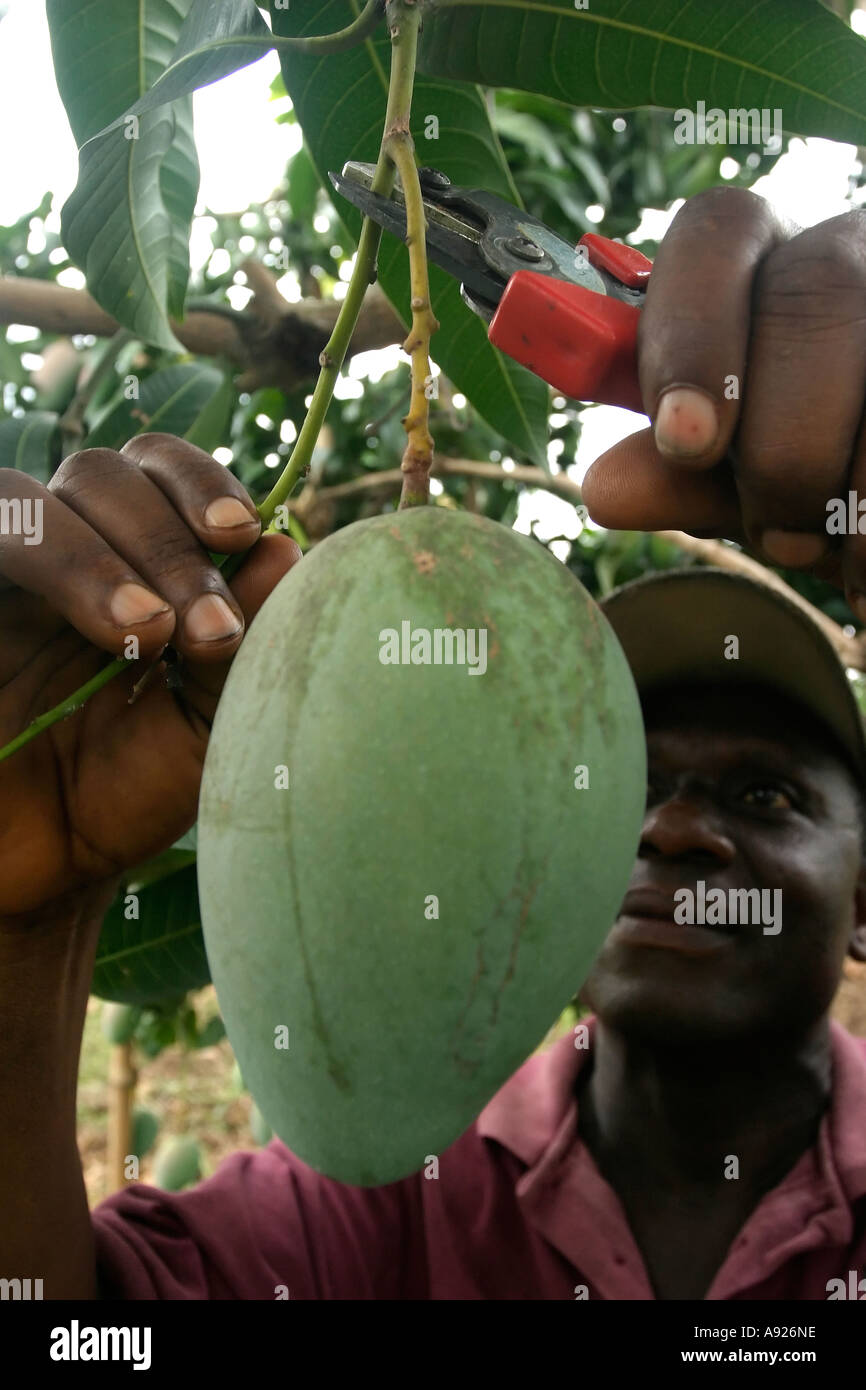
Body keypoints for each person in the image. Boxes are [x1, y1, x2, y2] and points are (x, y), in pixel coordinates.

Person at [1, 186, 866, 1301]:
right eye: (631, 782)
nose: (672, 828)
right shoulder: (365, 1210)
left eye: (764, 797)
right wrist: (18, 945)